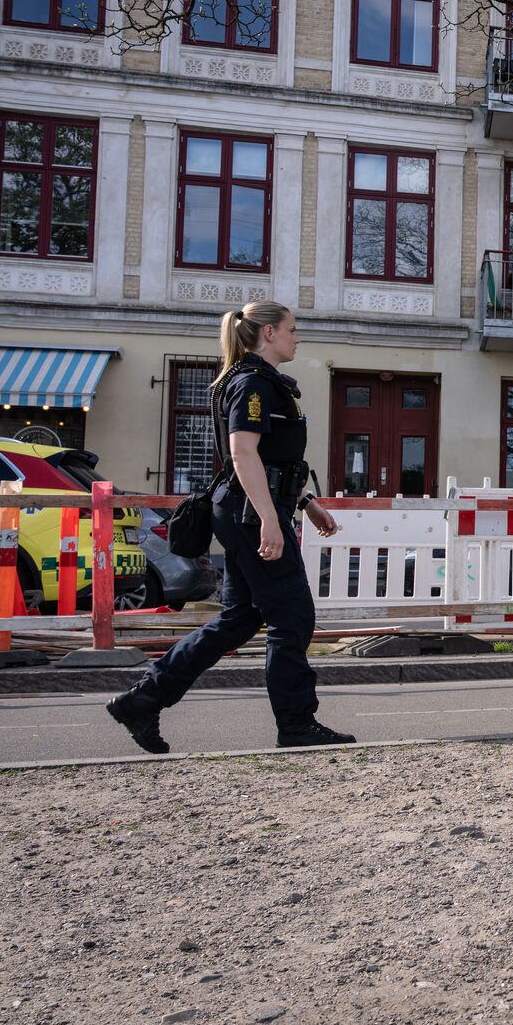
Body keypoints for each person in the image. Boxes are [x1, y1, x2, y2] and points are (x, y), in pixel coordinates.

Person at [106, 302, 352, 753]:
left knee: (239, 620)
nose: (299, 338)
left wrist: (307, 504)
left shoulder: (258, 381)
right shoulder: (253, 383)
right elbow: (243, 455)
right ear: (269, 334)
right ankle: (296, 724)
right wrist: (269, 520)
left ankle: (144, 700)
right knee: (291, 617)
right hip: (249, 513)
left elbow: (276, 461)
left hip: (249, 508)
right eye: (293, 330)